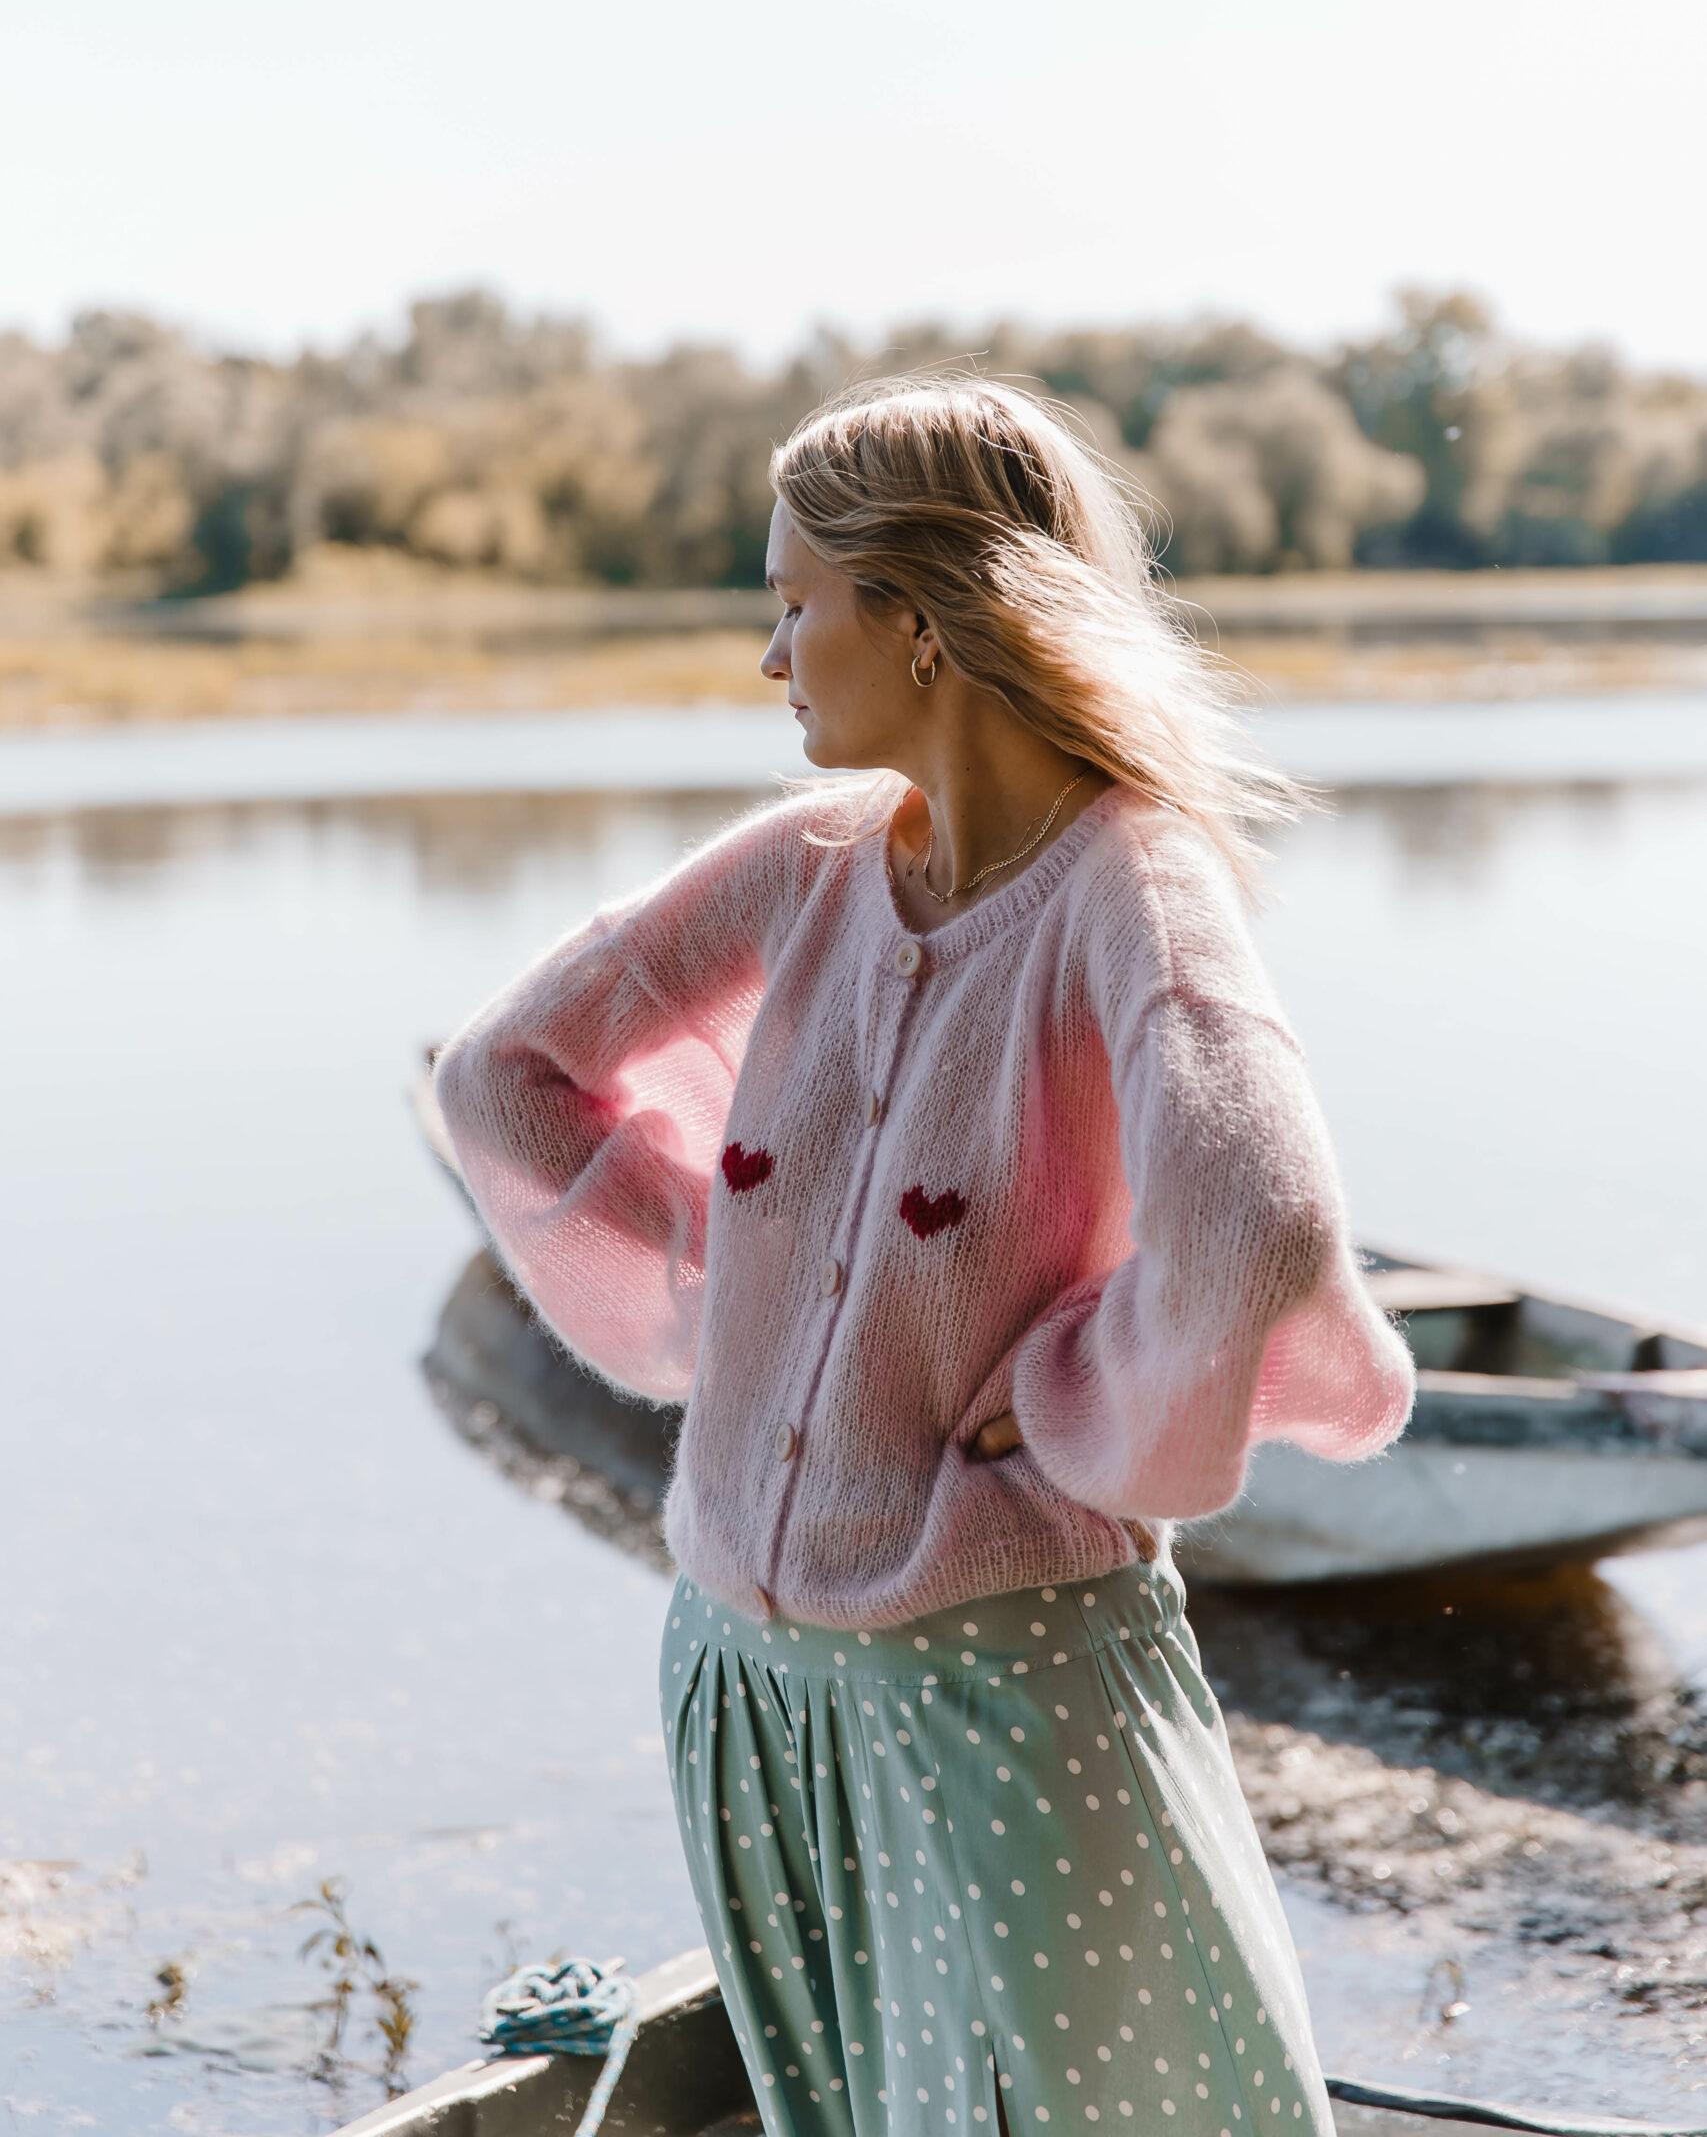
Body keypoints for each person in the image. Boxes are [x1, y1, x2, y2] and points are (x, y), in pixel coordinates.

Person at [434, 377, 1415, 2137]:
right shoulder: (806, 865)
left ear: (921, 619)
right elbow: (503, 1079)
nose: (771, 656)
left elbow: (1259, 1223)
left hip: (997, 1683)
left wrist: (1073, 1399)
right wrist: (739, 1279)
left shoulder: (1130, 889)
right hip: (744, 1687)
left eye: (794, 603)